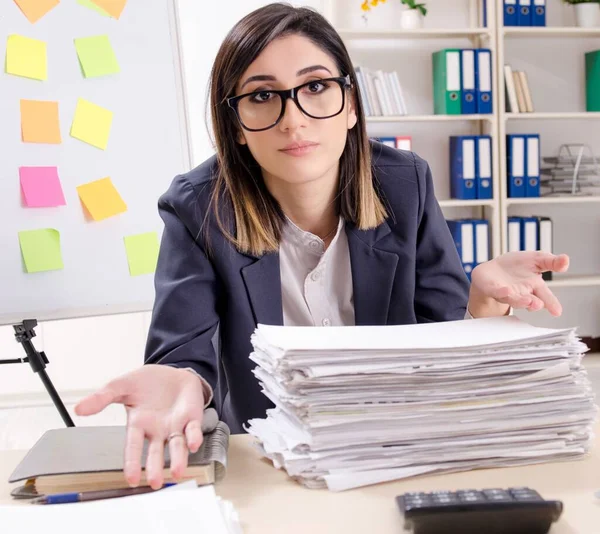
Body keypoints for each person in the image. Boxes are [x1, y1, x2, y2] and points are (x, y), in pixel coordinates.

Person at [74, 3, 570, 490]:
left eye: (315, 86)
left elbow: (438, 349)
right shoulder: (197, 207)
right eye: (262, 95)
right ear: (236, 126)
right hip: (272, 463)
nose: (294, 119)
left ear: (351, 105)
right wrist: (181, 379)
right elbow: (183, 350)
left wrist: (480, 303)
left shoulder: (405, 183)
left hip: (400, 453)